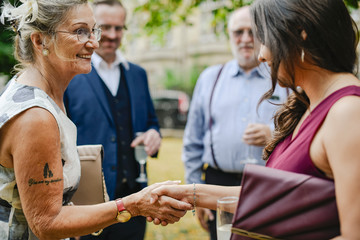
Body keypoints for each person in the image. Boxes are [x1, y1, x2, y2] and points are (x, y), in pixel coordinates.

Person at [149, 0, 360, 238]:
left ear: (301, 35)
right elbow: (274, 200)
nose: (261, 55)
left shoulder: (348, 113)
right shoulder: (312, 104)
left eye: (265, 38)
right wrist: (189, 194)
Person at [0, 0, 192, 239]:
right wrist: (134, 205)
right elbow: (47, 223)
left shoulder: (42, 93)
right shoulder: (36, 116)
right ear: (40, 41)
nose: (94, 42)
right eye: (80, 31)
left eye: (93, 30)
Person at [182, 6, 288, 239]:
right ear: (229, 36)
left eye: (253, 32)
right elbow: (192, 142)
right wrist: (195, 194)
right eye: (238, 32)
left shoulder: (284, 78)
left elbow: (302, 132)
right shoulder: (210, 78)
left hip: (269, 183)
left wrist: (273, 134)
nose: (246, 39)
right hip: (218, 183)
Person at [63, 1, 161, 239]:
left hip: (136, 200)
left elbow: (151, 122)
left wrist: (154, 134)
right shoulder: (70, 73)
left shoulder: (138, 74)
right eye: (105, 27)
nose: (112, 35)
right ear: (92, 29)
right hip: (87, 205)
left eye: (119, 28)